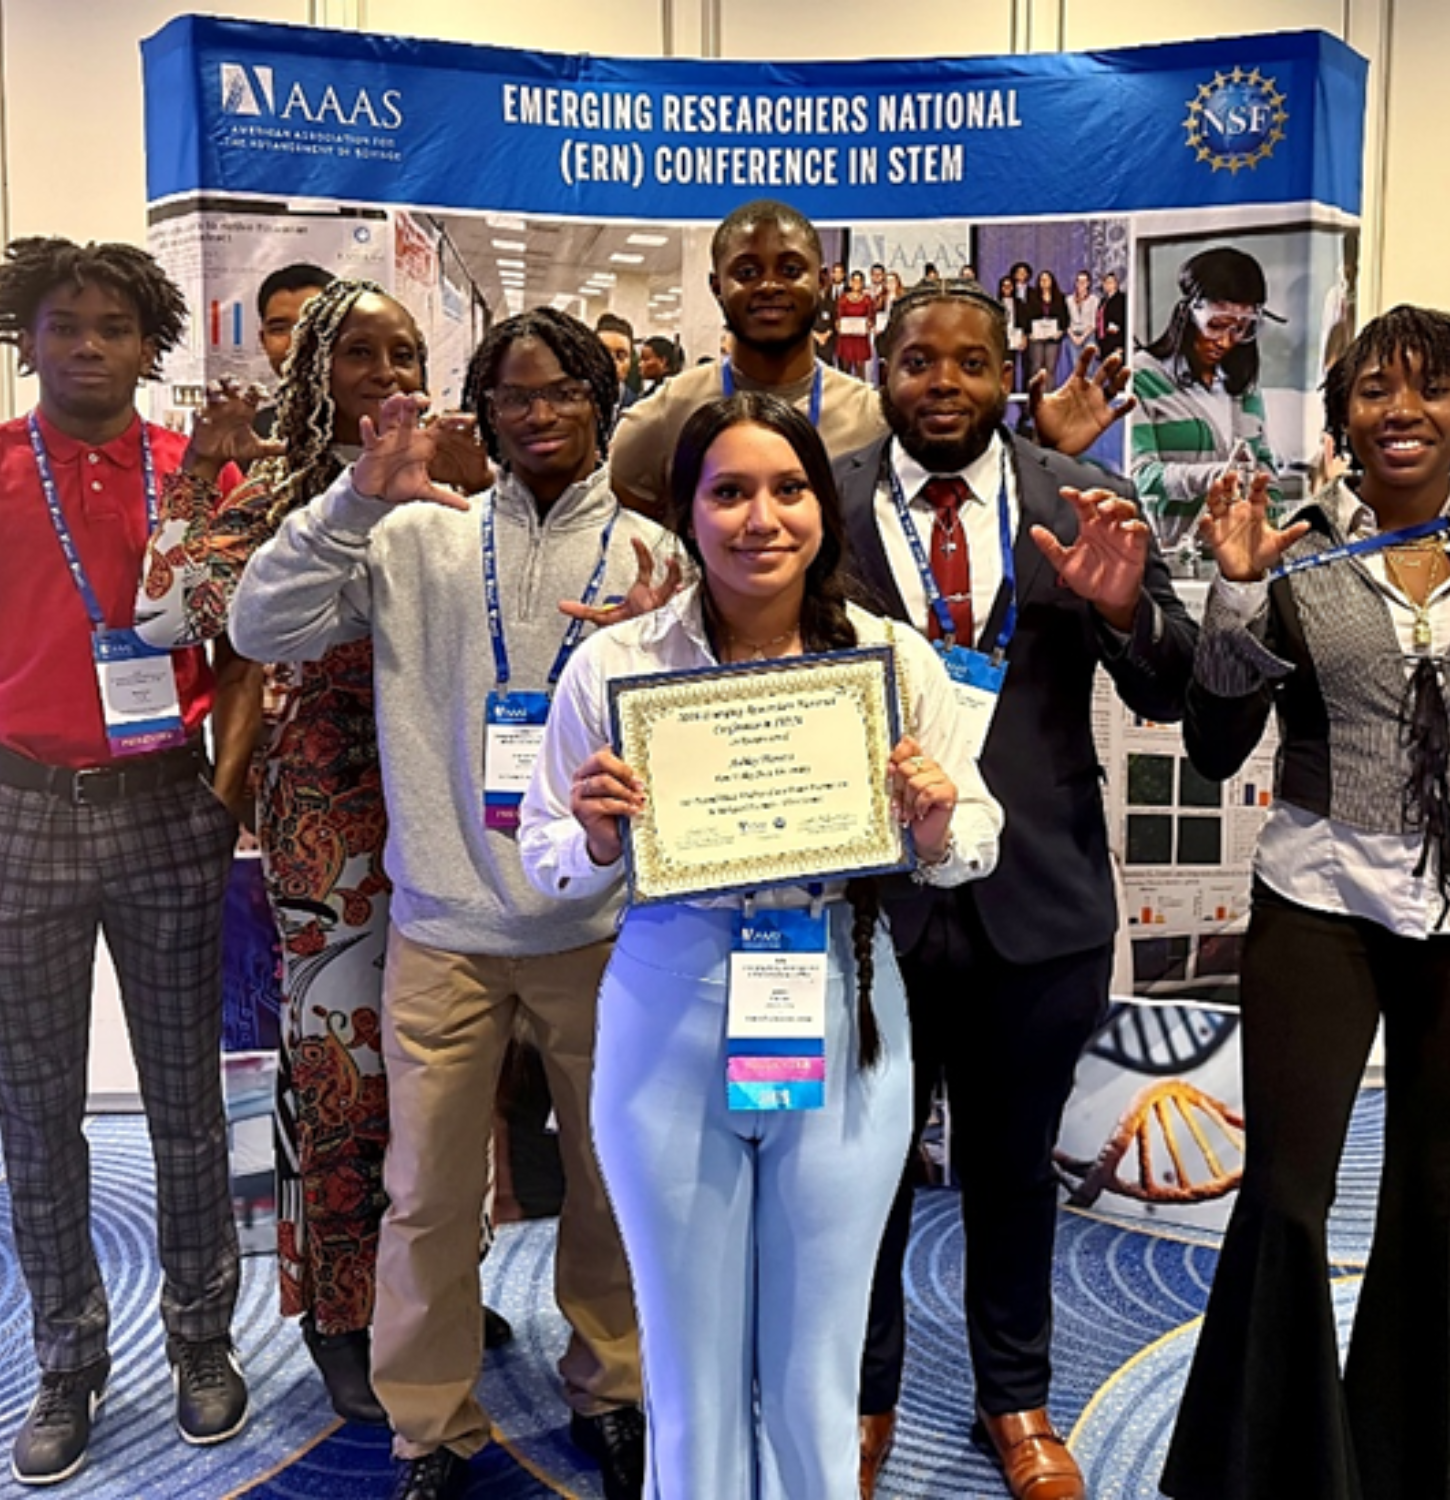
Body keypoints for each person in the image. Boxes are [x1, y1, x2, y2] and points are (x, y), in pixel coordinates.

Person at [519, 390, 1002, 1499]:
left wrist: (934, 824)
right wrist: (595, 837)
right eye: (728, 492)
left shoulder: (889, 659)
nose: (761, 518)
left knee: (815, 1369)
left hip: (842, 1000)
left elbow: (976, 835)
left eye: (787, 489)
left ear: (822, 507)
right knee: (685, 1373)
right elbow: (547, 854)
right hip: (666, 1010)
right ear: (685, 513)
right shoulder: (616, 669)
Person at [230, 308, 667, 1500]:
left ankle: (613, 1386)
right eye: (514, 394)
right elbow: (255, 623)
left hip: (597, 928)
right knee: (422, 1195)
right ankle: (430, 1425)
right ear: (481, 409)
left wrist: (657, 650)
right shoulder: (413, 536)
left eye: (564, 390)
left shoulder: (649, 554)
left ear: (600, 402)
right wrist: (353, 502)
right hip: (442, 927)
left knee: (605, 1177)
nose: (539, 413)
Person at [835, 280, 1194, 1500]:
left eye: (972, 363)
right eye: (919, 361)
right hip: (868, 901)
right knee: (863, 1172)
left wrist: (1125, 606)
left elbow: (1168, 687)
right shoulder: (815, 503)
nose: (945, 384)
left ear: (1006, 378)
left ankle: (1019, 1400)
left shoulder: (1081, 500)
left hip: (1035, 899)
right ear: (882, 371)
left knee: (1013, 1166)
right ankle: (865, 1396)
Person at [134, 278, 493, 1429]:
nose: (389, 376)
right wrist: (205, 471)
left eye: (405, 354)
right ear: (314, 372)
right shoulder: (289, 491)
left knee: (445, 1071)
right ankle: (339, 1313)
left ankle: (428, 1290)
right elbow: (162, 611)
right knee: (343, 1076)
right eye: (360, 355)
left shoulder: (458, 487)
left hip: (447, 805)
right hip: (331, 820)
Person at [1160, 305, 1450, 1500]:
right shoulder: (1294, 567)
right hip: (1317, 897)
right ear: (1343, 420)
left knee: (1435, 1175)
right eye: (1374, 393)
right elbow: (1211, 746)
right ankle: (1265, 1468)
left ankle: (1425, 1468)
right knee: (1291, 1193)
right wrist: (1237, 600)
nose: (1401, 412)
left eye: (1432, 391)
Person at [0, 235, 249, 1485]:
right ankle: (65, 1353)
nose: (87, 347)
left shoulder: (197, 474)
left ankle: (202, 1337)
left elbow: (254, 642)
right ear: (27, 337)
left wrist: (228, 788)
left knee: (184, 1098)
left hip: (165, 803)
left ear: (151, 344)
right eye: (62, 324)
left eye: (112, 327)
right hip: (21, 811)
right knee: (34, 1111)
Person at [609, 199, 1135, 524]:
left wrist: (1044, 449)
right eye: (747, 271)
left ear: (822, 283)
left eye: (790, 269)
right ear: (715, 287)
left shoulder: (874, 414)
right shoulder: (666, 413)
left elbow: (963, 485)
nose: (769, 285)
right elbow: (627, 520)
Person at [1131, 245, 1282, 549]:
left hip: (1241, 557)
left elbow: (1265, 464)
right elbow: (1140, 476)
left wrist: (1271, 512)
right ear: (1188, 313)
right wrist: (1216, 476)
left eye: (1241, 329)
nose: (1226, 341)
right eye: (1216, 325)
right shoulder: (1143, 378)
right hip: (1173, 558)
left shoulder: (1243, 386)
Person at [252, 262, 334, 437]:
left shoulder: (389, 427)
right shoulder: (248, 435)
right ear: (263, 340)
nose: (297, 341)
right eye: (279, 329)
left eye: (314, 325)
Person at [596, 312, 639, 426]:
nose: (611, 362)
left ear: (630, 361)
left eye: (620, 356)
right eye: (603, 353)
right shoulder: (574, 404)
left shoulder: (639, 408)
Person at [1024, 268, 1065, 389]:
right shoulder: (1032, 297)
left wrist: (1060, 331)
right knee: (1036, 367)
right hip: (1036, 338)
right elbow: (1027, 316)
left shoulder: (1059, 298)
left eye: (1047, 279)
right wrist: (1028, 333)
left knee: (1050, 368)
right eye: (1042, 279)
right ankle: (1035, 397)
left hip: (1053, 338)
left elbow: (1064, 317)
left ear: (1052, 281)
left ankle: (1049, 398)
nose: (1044, 282)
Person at [836, 269, 876, 377]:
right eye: (854, 281)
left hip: (860, 339)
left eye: (859, 281)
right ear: (850, 282)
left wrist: (869, 324)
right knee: (845, 370)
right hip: (846, 339)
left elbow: (872, 318)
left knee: (860, 370)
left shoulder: (867, 299)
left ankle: (860, 393)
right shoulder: (843, 299)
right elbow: (838, 317)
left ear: (862, 283)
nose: (856, 284)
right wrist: (838, 325)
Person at [1063, 269, 1099, 383]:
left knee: (1089, 365)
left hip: (1088, 334)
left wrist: (1083, 337)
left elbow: (1094, 322)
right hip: (1072, 335)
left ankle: (1089, 391)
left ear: (1088, 283)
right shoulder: (1068, 300)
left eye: (1084, 281)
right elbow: (1065, 321)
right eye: (1078, 281)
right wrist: (1073, 336)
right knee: (1076, 365)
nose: (1081, 284)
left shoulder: (1094, 300)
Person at [1095, 270, 1126, 363]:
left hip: (1116, 344)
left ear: (1116, 284)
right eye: (1105, 282)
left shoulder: (1122, 299)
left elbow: (1125, 322)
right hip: (1104, 342)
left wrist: (1122, 345)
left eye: (1110, 282)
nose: (1107, 285)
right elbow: (1099, 322)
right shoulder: (1103, 301)